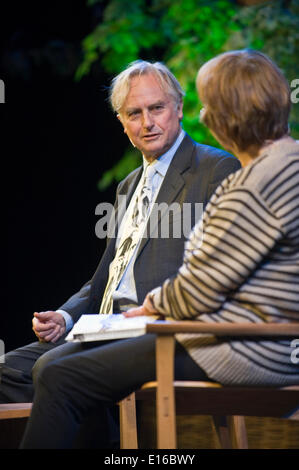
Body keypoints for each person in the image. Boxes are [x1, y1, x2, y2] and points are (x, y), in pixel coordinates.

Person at [18, 49, 299, 449]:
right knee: (43, 369)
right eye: (135, 113)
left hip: (244, 346)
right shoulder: (287, 164)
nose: (148, 122)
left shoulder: (248, 181)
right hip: (264, 342)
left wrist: (153, 306)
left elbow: (203, 286)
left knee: (61, 375)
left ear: (218, 119)